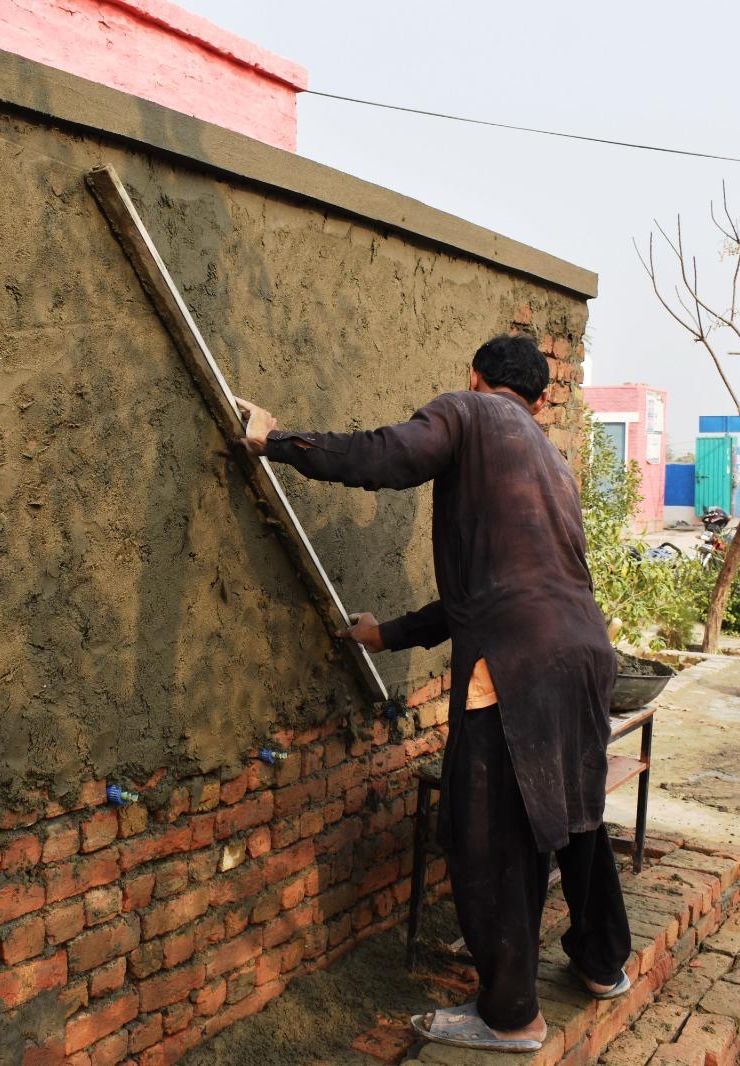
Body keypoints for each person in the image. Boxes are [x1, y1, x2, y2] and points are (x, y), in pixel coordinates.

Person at [235, 332, 629, 1053]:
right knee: (573, 812)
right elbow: (496, 588)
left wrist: (279, 441)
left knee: (486, 836)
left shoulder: (468, 414)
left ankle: (510, 1014)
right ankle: (604, 964)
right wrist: (389, 634)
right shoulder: (555, 464)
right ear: (541, 399)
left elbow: (387, 456)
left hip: (514, 664)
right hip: (583, 654)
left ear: (474, 376)